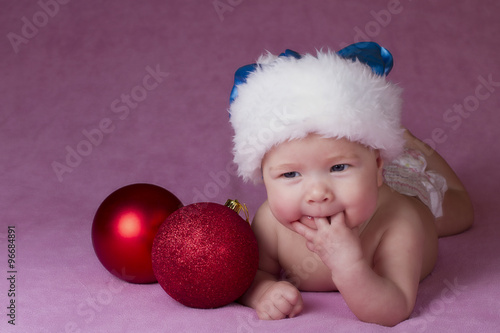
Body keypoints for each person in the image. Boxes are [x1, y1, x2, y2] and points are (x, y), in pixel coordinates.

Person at [227, 42, 473, 326]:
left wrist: (349, 266)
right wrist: (263, 291)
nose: (318, 193)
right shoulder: (269, 222)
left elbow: (395, 308)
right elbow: (249, 275)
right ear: (264, 178)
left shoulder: (400, 222)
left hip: (413, 195)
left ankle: (410, 144)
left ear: (378, 168)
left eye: (339, 167)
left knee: (460, 209)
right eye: (290, 174)